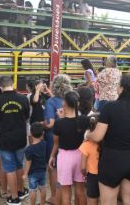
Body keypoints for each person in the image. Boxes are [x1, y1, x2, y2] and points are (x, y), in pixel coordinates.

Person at [86, 74, 130, 205]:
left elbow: (98, 136)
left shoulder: (110, 107)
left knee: (108, 201)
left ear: (122, 88)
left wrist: (87, 135)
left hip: (112, 160)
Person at [0, 76, 30, 205]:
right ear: (13, 84)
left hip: (5, 139)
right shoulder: (23, 98)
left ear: (0, 86)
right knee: (19, 165)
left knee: (10, 168)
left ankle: (14, 197)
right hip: (20, 137)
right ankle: (21, 190)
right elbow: (27, 116)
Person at [49, 91, 88, 205]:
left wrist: (52, 156)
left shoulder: (59, 123)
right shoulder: (84, 120)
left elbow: (56, 143)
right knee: (80, 190)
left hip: (65, 157)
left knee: (66, 192)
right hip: (81, 156)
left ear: (64, 103)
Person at [43, 74, 72, 205]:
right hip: (69, 137)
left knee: (53, 167)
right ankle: (65, 197)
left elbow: (50, 123)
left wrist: (40, 124)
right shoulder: (72, 99)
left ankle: (55, 197)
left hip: (54, 138)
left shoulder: (51, 102)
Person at [23, 122, 47, 205]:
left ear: (31, 134)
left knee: (33, 190)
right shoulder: (44, 144)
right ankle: (42, 203)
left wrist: (25, 173)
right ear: (42, 133)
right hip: (43, 171)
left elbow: (28, 162)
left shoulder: (29, 149)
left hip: (33, 173)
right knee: (43, 187)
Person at [79, 115, 100, 205]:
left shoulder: (86, 145)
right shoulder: (105, 143)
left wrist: (84, 174)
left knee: (92, 198)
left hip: (92, 176)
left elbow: (83, 167)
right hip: (105, 174)